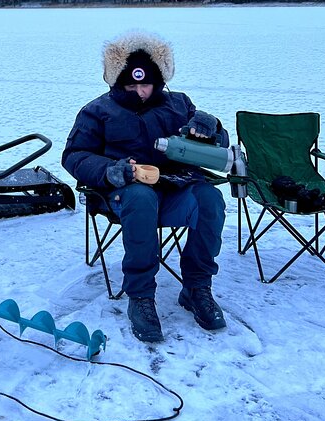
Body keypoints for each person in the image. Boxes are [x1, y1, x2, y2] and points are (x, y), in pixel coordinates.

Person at [61, 30, 229, 343]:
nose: (140, 91)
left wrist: (213, 126)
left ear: (159, 81)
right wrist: (110, 171)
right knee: (140, 197)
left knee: (210, 199)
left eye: (146, 83)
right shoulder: (96, 111)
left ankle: (197, 289)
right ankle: (140, 297)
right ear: (117, 82)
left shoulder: (179, 105)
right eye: (132, 84)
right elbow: (73, 156)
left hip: (175, 190)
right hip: (121, 195)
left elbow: (217, 144)